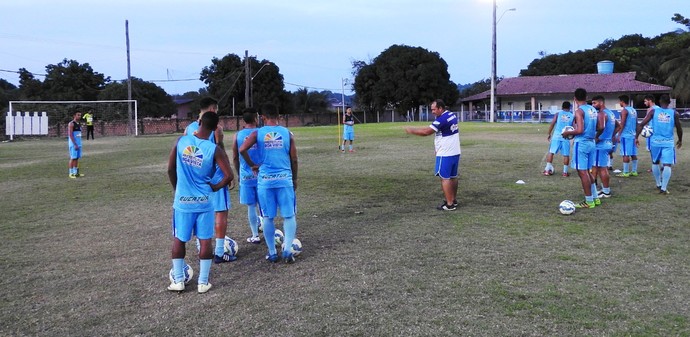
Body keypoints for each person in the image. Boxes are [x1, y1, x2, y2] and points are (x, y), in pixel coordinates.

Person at [167, 111, 233, 293]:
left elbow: (170, 169)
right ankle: (203, 283)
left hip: (183, 201)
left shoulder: (181, 142)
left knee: (179, 239)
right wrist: (213, 187)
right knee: (205, 241)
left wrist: (177, 189)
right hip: (204, 201)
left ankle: (178, 281)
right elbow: (229, 176)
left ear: (199, 122)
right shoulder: (214, 149)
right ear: (215, 128)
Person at [239, 103, 300, 263]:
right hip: (284, 179)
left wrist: (252, 164)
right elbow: (294, 158)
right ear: (279, 117)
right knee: (289, 215)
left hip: (265, 181)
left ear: (262, 117)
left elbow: (242, 149)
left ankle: (272, 253)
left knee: (267, 217)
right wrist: (294, 178)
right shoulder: (287, 133)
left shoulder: (257, 133)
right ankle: (287, 251)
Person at [184, 97, 236, 263]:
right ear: (213, 109)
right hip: (217, 175)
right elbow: (219, 150)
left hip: (196, 177)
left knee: (201, 211)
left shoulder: (188, 129)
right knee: (221, 212)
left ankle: (201, 247)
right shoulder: (216, 128)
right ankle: (219, 252)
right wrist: (229, 173)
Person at [403, 99, 461, 211]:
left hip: (445, 153)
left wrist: (412, 131)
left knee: (444, 178)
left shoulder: (442, 119)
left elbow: (426, 132)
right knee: (453, 176)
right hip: (455, 151)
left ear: (440, 108)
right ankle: (453, 199)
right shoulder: (451, 115)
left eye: (434, 109)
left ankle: (449, 204)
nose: (432, 112)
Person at [636, 94, 683, 194]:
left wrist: (636, 137)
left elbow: (641, 124)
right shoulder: (674, 113)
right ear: (669, 103)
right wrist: (680, 140)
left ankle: (658, 184)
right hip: (668, 143)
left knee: (655, 162)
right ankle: (663, 188)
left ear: (660, 101)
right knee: (667, 165)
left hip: (655, 143)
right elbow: (679, 128)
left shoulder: (653, 111)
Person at [562, 88, 599, 209]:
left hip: (582, 143)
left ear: (575, 99)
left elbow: (580, 130)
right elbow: (598, 126)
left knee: (582, 172)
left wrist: (567, 133)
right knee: (587, 172)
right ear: (586, 97)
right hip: (592, 142)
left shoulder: (579, 111)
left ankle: (589, 201)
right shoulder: (593, 109)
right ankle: (595, 198)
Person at [232, 108, 264, 244]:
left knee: (251, 206)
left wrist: (239, 174)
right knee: (264, 206)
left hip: (246, 176)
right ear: (256, 119)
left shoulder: (238, 135)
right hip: (263, 175)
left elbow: (235, 156)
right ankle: (271, 233)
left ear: (244, 121)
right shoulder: (261, 133)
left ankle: (255, 235)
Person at [591, 95, 621, 200]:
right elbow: (619, 126)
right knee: (596, 167)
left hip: (601, 145)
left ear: (601, 102)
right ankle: (596, 189)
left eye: (594, 103)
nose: (593, 105)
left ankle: (606, 191)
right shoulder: (611, 113)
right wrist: (611, 136)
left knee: (602, 168)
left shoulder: (602, 113)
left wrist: (596, 137)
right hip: (607, 143)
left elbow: (601, 127)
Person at [543, 101, 574, 177]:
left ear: (562, 107)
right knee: (566, 155)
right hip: (566, 137)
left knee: (551, 152)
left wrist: (549, 134)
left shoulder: (558, 114)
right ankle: (565, 172)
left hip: (556, 136)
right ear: (570, 107)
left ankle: (547, 170)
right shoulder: (572, 116)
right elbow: (573, 128)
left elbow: (552, 123)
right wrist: (572, 137)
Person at [616, 95, 638, 177]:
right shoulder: (633, 110)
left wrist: (619, 135)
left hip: (626, 135)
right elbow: (636, 123)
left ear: (622, 101)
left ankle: (625, 172)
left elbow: (622, 123)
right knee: (633, 153)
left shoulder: (624, 111)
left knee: (625, 153)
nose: (619, 103)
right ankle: (634, 171)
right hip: (633, 135)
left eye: (620, 102)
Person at [68, 111, 84, 179]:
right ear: (74, 115)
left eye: (80, 115)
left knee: (77, 158)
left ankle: (76, 173)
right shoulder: (71, 124)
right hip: (74, 144)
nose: (79, 116)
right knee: (72, 158)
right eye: (78, 115)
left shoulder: (78, 124)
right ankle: (71, 173)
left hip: (79, 144)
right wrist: (75, 144)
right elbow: (70, 135)